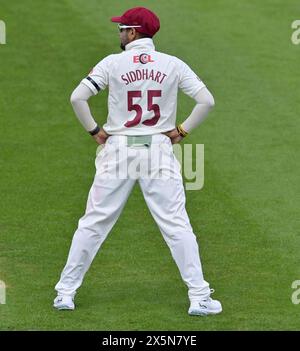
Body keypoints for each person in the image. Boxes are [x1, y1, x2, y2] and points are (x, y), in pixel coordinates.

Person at [53, 6, 222, 316]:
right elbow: (206, 101)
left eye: (122, 28)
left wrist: (95, 131)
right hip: (158, 149)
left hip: (118, 149)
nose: (119, 32)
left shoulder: (113, 63)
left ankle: (65, 292)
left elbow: (78, 97)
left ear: (133, 33)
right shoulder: (172, 64)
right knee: (176, 224)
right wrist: (182, 131)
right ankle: (199, 296)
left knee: (94, 222)